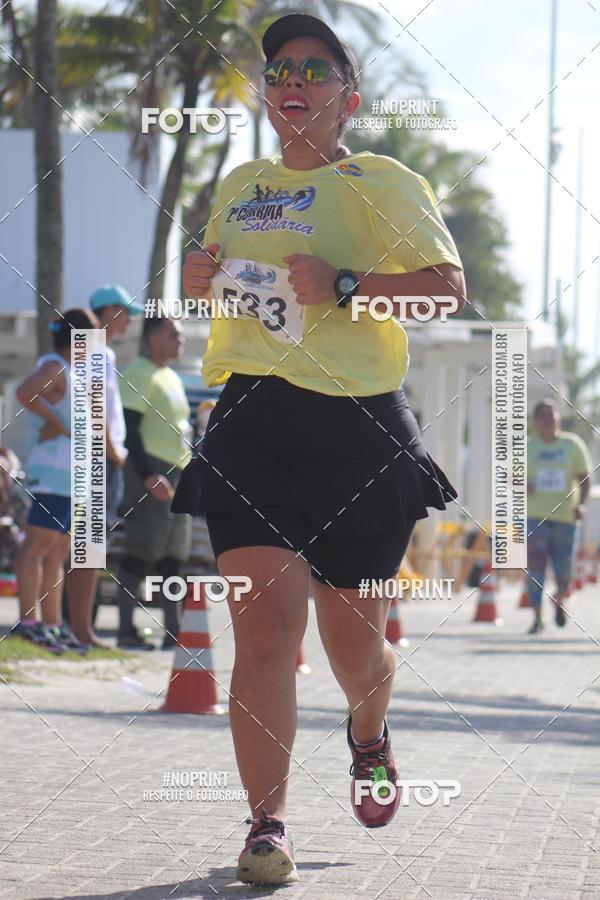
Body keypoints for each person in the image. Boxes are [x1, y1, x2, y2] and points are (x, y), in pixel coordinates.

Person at [172, 13, 466, 886]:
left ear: (349, 97)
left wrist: (346, 285)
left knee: (354, 650)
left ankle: (368, 736)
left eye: (314, 68)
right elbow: (223, 276)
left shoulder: (384, 180)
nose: (292, 79)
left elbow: (445, 291)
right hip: (251, 422)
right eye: (278, 70)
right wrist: (196, 275)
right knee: (263, 633)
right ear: (267, 95)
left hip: (359, 430)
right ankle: (267, 824)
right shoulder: (239, 186)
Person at [14, 308, 99, 653]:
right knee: (37, 546)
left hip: (71, 478)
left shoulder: (74, 371)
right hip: (51, 474)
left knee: (58, 552)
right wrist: (55, 423)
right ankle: (29, 623)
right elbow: (24, 392)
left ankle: (52, 624)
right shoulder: (54, 367)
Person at [65, 285, 144, 648]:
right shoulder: (97, 350)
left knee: (82, 548)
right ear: (109, 310)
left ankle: (77, 626)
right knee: (87, 548)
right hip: (98, 459)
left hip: (94, 457)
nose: (129, 321)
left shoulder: (98, 350)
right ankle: (80, 629)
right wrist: (111, 451)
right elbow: (95, 406)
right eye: (125, 312)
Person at [116, 315, 192, 650]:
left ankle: (173, 633)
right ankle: (125, 630)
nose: (181, 340)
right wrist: (148, 474)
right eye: (174, 334)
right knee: (141, 549)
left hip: (177, 472)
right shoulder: (138, 373)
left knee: (173, 554)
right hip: (152, 473)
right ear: (153, 338)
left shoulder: (171, 376)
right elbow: (129, 430)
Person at [526, 399, 593, 634]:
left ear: (558, 418)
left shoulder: (572, 445)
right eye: (543, 415)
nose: (549, 419)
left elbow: (585, 478)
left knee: (565, 571)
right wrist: (522, 485)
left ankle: (559, 598)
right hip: (534, 517)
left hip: (566, 517)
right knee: (535, 569)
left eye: (552, 414)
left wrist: (582, 505)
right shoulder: (526, 447)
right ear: (535, 422)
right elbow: (506, 479)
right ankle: (537, 618)